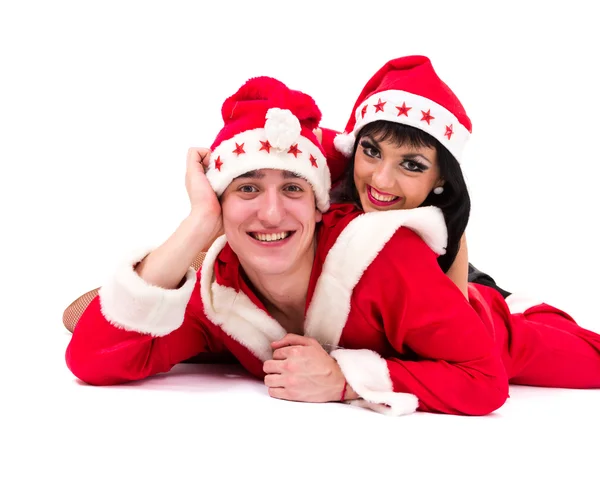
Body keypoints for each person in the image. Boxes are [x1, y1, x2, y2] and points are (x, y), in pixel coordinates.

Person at [65, 75, 511, 416]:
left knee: (574, 356)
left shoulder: (387, 255)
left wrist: (345, 382)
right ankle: (193, 270)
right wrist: (197, 224)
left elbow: (487, 378)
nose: (273, 213)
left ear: (321, 206)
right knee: (120, 316)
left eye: (294, 190)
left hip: (475, 314)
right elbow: (90, 360)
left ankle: (488, 294)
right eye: (247, 190)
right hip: (266, 266)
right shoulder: (216, 296)